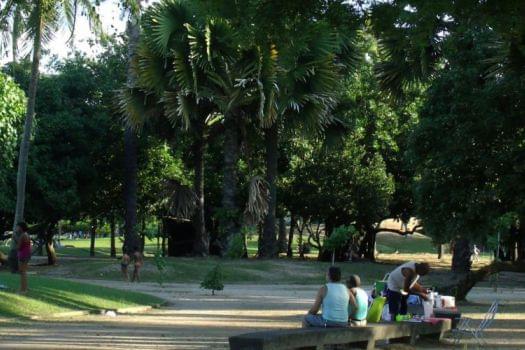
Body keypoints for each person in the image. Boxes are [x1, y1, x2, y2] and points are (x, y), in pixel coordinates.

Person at [16, 222, 31, 293]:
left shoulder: (22, 235)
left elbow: (19, 247)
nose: (16, 228)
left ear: (21, 228)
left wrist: (14, 239)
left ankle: (23, 289)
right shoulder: (26, 234)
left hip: (22, 255)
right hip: (26, 254)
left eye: (17, 227)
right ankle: (25, 288)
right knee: (24, 272)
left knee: (22, 272)